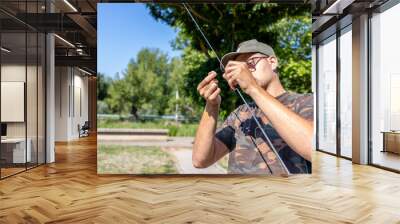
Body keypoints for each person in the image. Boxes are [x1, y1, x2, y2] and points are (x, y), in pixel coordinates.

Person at [192, 39, 313, 175]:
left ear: (272, 62)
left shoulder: (305, 101)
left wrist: (252, 87)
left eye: (250, 63)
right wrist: (212, 105)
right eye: (236, 68)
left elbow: (314, 149)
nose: (244, 71)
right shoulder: (239, 113)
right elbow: (200, 160)